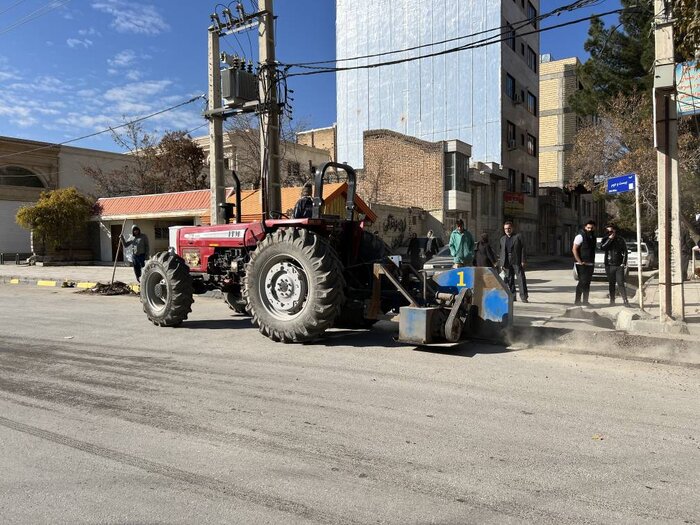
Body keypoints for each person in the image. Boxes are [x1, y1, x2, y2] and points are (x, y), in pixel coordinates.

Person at [498, 221, 529, 302]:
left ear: (512, 228)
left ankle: (524, 297)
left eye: (509, 228)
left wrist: (523, 260)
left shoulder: (518, 237)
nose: (507, 230)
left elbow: (523, 248)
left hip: (517, 260)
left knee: (521, 279)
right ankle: (512, 296)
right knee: (509, 279)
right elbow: (501, 251)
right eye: (505, 229)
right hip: (507, 261)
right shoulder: (502, 239)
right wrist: (501, 263)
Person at [600, 224, 630, 307]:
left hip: (618, 265)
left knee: (620, 282)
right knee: (611, 283)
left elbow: (625, 251)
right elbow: (602, 248)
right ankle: (612, 301)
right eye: (608, 231)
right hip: (609, 265)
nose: (610, 233)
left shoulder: (620, 239)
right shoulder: (605, 239)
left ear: (614, 231)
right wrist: (609, 239)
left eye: (611, 231)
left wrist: (623, 263)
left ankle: (625, 300)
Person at [572, 220, 597, 306]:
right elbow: (574, 249)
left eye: (592, 228)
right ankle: (577, 301)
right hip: (581, 264)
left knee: (587, 283)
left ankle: (585, 301)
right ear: (585, 227)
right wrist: (579, 261)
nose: (590, 229)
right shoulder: (580, 236)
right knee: (582, 282)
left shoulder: (593, 237)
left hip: (590, 263)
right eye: (588, 227)